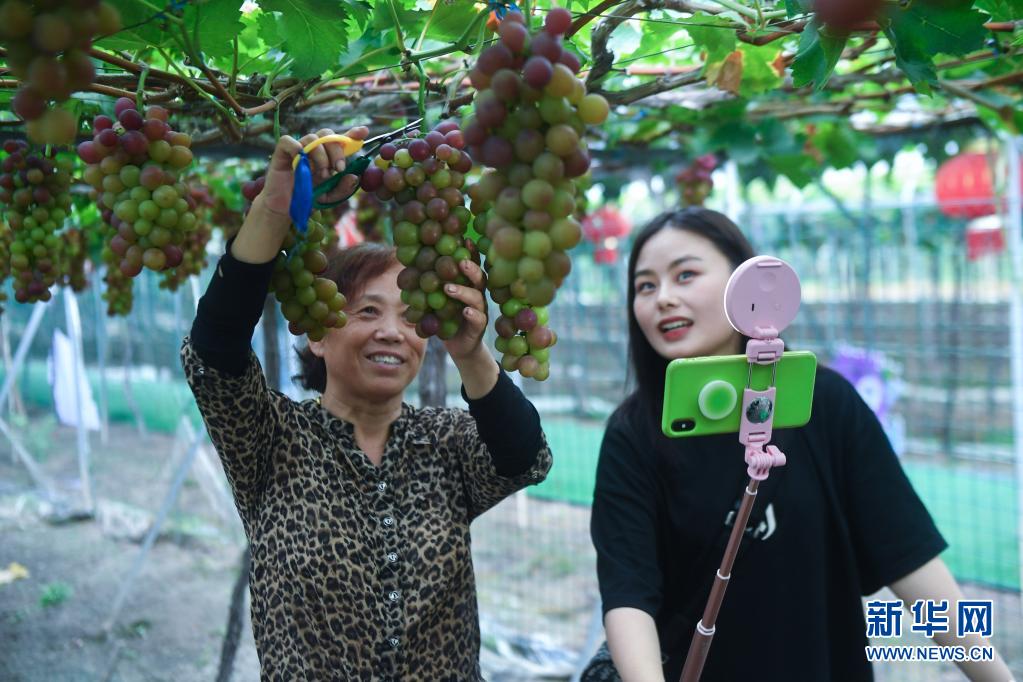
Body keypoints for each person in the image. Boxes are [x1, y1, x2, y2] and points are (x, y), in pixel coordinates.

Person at [180, 127, 553, 681]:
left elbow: (526, 458)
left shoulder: (444, 441)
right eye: (368, 312)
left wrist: (471, 353)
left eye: (410, 316)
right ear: (317, 334)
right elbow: (213, 353)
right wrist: (273, 212)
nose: (392, 333)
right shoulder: (272, 438)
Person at [584, 207, 1013, 681]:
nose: (663, 298)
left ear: (746, 281)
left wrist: (996, 677)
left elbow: (910, 560)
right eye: (645, 286)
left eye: (685, 275)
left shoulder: (823, 401)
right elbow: (628, 596)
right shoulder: (632, 434)